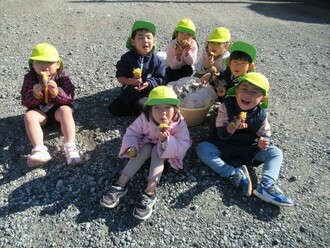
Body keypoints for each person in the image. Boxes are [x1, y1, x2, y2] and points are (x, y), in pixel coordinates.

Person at [196, 72, 294, 207]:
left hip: (248, 146)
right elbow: (221, 134)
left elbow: (265, 132)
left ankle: (267, 185)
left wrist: (264, 141)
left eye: (254, 92)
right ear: (236, 92)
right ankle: (233, 174)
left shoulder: (261, 114)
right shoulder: (226, 106)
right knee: (202, 148)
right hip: (224, 145)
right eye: (244, 89)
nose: (248, 94)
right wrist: (232, 126)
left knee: (275, 152)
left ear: (262, 99)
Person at [101, 86, 192, 220]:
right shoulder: (145, 118)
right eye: (157, 108)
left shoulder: (179, 123)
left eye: (168, 107)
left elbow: (184, 143)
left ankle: (150, 190)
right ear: (150, 109)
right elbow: (132, 132)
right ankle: (120, 183)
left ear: (175, 108)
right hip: (147, 145)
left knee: (157, 150)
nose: (163, 113)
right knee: (147, 148)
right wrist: (131, 147)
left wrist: (165, 140)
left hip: (168, 154)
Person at [21, 43, 81, 167]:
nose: (44, 66)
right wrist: (35, 95)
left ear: (58, 64)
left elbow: (70, 96)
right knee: (29, 116)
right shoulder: (30, 78)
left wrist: (57, 92)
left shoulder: (62, 76)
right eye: (39, 62)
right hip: (40, 113)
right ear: (32, 64)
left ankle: (71, 147)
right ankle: (39, 149)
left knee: (66, 110)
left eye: (49, 63)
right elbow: (25, 102)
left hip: (57, 111)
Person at [108, 20, 166, 116]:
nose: (145, 41)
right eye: (140, 38)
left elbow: (160, 77)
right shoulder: (127, 58)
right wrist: (131, 81)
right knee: (113, 109)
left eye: (149, 37)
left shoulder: (156, 60)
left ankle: (144, 110)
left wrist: (149, 83)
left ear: (154, 41)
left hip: (146, 93)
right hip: (128, 92)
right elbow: (120, 77)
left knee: (141, 104)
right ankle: (142, 112)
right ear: (133, 41)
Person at [165, 18, 198, 83]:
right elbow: (172, 66)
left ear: (192, 37)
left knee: (189, 69)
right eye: (181, 33)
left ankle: (183, 82)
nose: (184, 36)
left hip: (184, 67)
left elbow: (191, 63)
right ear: (176, 34)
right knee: (171, 73)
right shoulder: (172, 45)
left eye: (188, 34)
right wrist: (178, 56)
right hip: (172, 68)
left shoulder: (193, 44)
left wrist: (187, 52)